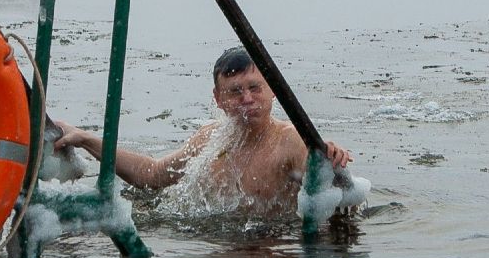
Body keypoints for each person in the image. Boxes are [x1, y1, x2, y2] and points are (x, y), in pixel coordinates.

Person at [52, 46, 353, 214]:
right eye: (235, 92)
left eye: (254, 88)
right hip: (220, 248)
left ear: (273, 90)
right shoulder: (210, 137)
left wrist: (328, 156)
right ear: (218, 99)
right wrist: (87, 139)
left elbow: (327, 183)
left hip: (272, 250)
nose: (247, 100)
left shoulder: (289, 141)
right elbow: (153, 176)